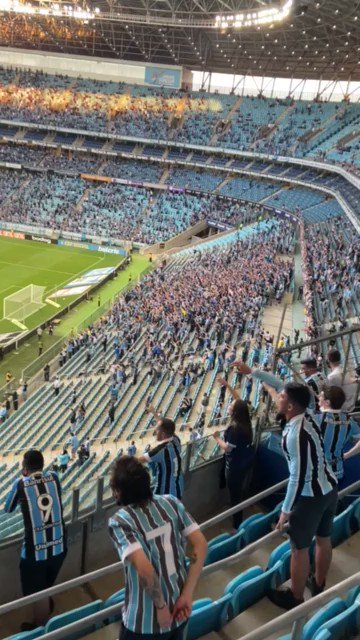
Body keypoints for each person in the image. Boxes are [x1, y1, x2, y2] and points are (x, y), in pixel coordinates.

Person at [234, 361, 338, 609]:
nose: (278, 396)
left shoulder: (294, 435)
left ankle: (296, 597)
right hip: (329, 488)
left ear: (290, 406)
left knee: (298, 549)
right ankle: (320, 582)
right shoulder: (309, 410)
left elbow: (297, 476)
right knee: (324, 538)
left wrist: (285, 510)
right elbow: (283, 384)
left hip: (310, 497)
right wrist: (254, 373)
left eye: (281, 397)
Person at [108, 456, 207, 640]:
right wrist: (187, 594)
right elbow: (200, 544)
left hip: (143, 623)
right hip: (180, 610)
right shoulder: (171, 502)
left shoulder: (120, 521)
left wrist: (160, 608)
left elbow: (145, 569)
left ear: (120, 491)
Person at [4, 449, 67, 630]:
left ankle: (41, 628)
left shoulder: (20, 484)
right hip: (60, 547)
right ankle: (45, 605)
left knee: (36, 592)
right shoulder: (54, 477)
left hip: (35, 554)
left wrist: (22, 479)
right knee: (45, 587)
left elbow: (8, 508)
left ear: (24, 468)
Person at [212, 377, 255, 529]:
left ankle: (237, 524)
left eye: (230, 405)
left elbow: (228, 448)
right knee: (238, 491)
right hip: (246, 460)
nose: (229, 405)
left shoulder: (234, 428)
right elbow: (239, 400)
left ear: (234, 411)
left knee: (235, 495)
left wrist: (217, 438)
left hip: (235, 465)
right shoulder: (246, 419)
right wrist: (227, 384)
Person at [139, 406, 183, 499]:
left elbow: (138, 460)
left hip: (166, 493)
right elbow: (166, 426)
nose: (155, 431)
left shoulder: (160, 450)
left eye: (157, 429)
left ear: (162, 434)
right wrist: (154, 412)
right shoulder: (176, 440)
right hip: (178, 487)